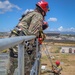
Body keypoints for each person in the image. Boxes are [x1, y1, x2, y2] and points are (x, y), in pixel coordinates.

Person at [7, 0, 50, 75]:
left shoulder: (30, 14)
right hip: (20, 43)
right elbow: (32, 34)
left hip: (15, 40)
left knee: (11, 67)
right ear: (44, 10)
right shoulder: (38, 16)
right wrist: (30, 48)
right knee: (27, 68)